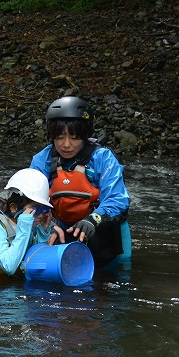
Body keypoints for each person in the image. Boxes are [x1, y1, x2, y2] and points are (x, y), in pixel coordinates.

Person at [29, 96, 131, 267]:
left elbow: (117, 199)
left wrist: (93, 220)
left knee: (111, 282)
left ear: (85, 135)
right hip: (59, 229)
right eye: (59, 137)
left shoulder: (102, 158)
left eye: (74, 137)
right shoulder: (43, 159)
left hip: (101, 231)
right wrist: (46, 224)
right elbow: (30, 199)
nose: (66, 144)